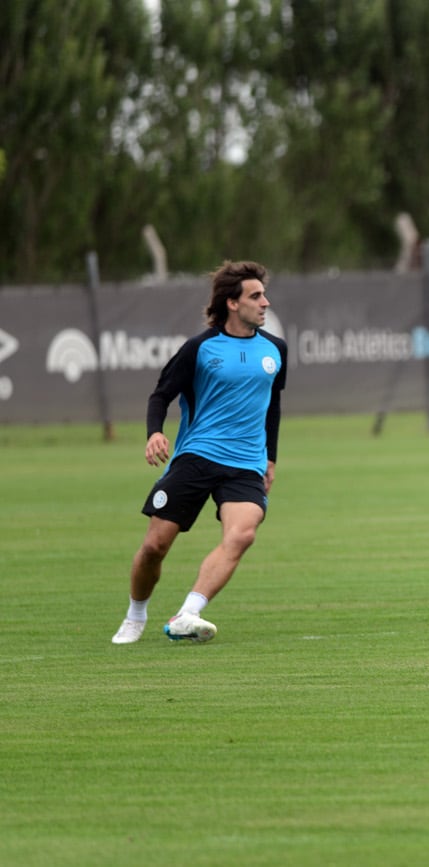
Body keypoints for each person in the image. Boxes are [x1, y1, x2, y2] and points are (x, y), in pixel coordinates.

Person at [110, 260, 288, 644]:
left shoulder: (276, 350)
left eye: (264, 295)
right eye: (256, 296)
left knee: (241, 535)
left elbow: (272, 406)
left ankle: (187, 614)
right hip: (197, 456)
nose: (265, 303)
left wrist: (270, 457)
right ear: (232, 303)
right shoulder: (200, 348)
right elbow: (161, 394)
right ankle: (135, 614)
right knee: (155, 546)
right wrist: (154, 433)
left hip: (245, 464)